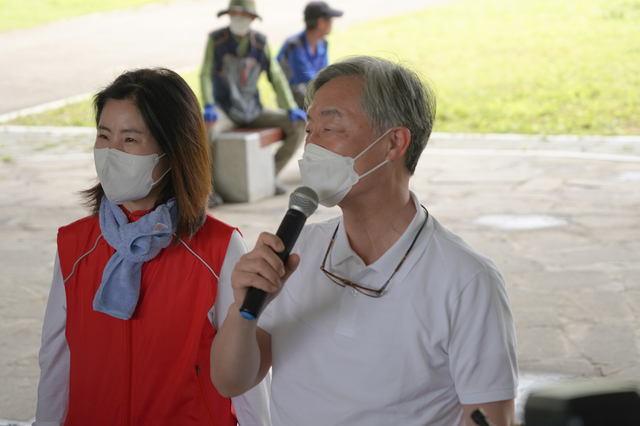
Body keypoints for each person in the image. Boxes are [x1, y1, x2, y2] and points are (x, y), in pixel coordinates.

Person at [210, 56, 519, 426]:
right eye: (309, 130)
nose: (312, 147)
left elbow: (489, 417)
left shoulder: (467, 279)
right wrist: (243, 312)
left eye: (331, 128)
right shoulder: (297, 251)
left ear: (394, 143)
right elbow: (230, 382)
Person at [33, 68, 271, 426]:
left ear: (173, 151)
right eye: (103, 135)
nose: (111, 152)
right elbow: (56, 359)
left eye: (130, 140)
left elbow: (246, 375)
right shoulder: (74, 245)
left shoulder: (218, 249)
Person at [200, 0, 307, 207]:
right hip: (225, 110)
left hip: (253, 109)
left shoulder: (260, 43)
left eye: (243, 14)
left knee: (299, 125)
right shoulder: (217, 40)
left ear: (252, 18)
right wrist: (209, 104)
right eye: (234, 13)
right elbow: (205, 73)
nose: (238, 18)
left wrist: (290, 107)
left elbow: (275, 76)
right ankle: (208, 189)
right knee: (207, 132)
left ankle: (269, 175)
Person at [277, 1, 343, 108]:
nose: (332, 23)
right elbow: (306, 79)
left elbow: (324, 73)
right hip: (293, 97)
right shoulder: (294, 45)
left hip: (312, 90)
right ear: (320, 22)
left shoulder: (323, 43)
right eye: (330, 20)